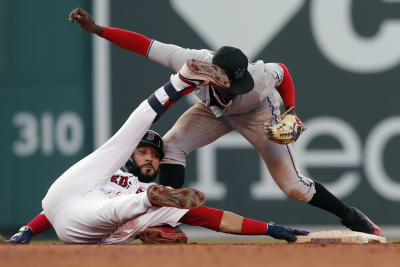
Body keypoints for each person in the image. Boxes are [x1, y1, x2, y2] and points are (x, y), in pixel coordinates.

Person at [60, 8, 383, 237]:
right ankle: (166, 222)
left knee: (294, 187)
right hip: (214, 113)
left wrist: (292, 110)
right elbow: (144, 45)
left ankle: (351, 216)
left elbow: (283, 70)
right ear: (215, 72)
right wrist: (99, 30)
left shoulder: (256, 78)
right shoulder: (192, 61)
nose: (235, 85)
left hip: (258, 114)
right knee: (172, 146)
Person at [7, 58, 308, 244]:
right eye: (144, 153)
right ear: (133, 157)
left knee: (119, 207)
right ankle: (180, 81)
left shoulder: (147, 192)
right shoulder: (109, 169)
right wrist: (28, 230)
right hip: (76, 190)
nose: (151, 157)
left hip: (80, 223)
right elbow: (53, 207)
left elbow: (212, 217)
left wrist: (268, 228)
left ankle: (179, 83)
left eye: (155, 154)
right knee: (124, 138)